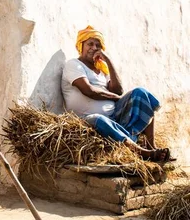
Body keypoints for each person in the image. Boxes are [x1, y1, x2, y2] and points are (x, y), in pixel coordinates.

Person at [61, 25, 172, 162]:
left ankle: (150, 146)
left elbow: (118, 90)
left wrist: (107, 61)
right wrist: (115, 97)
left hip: (116, 117)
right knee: (100, 119)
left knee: (140, 93)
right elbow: (88, 90)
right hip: (87, 119)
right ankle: (141, 152)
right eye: (90, 44)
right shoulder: (74, 65)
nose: (94, 48)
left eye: (98, 45)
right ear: (81, 46)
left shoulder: (101, 70)